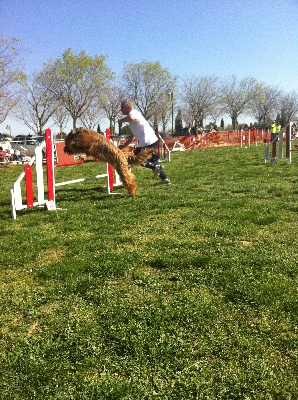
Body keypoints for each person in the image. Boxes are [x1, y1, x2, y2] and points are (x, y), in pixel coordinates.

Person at [118, 99, 170, 184]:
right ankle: (165, 179)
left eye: (122, 108)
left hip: (145, 141)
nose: (121, 110)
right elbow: (132, 137)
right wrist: (123, 146)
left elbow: (131, 117)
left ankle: (155, 166)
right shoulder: (132, 122)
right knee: (154, 162)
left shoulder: (133, 113)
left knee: (135, 160)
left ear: (128, 107)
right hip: (153, 140)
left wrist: (121, 120)